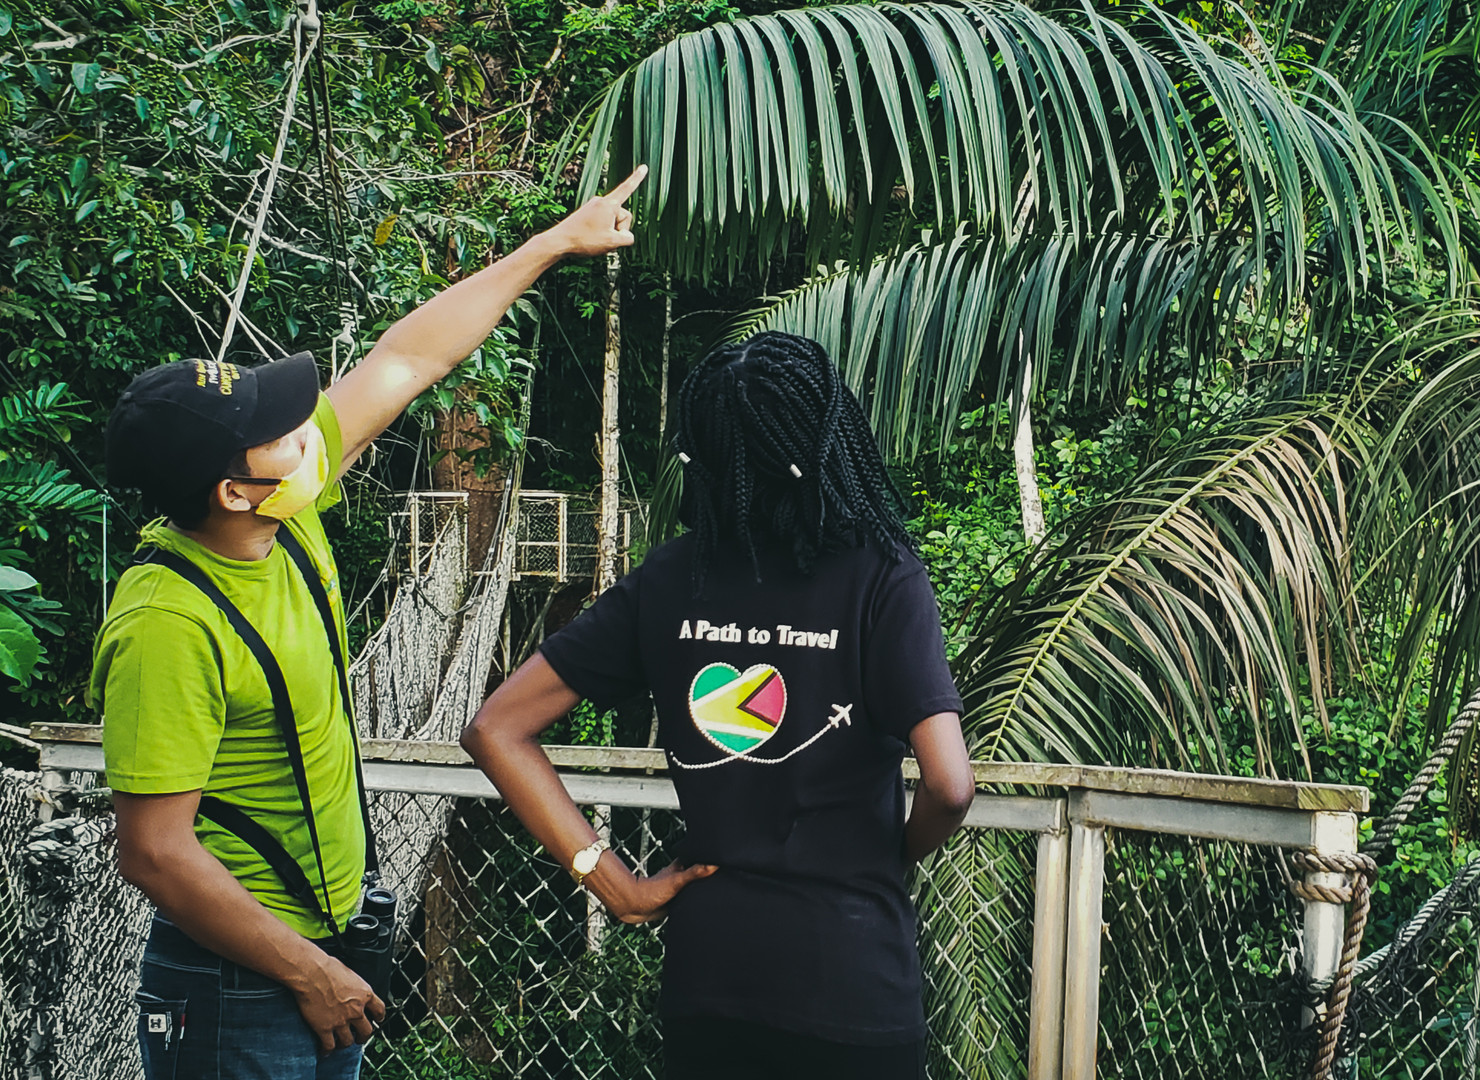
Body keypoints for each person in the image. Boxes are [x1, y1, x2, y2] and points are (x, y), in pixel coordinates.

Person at [91, 166, 652, 1080]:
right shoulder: (168, 624)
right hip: (242, 984)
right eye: (281, 432)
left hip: (325, 957)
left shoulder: (283, 515)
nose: (309, 430)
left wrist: (554, 242)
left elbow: (407, 359)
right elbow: (154, 852)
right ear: (235, 492)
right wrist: (307, 970)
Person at [462, 330, 976, 1080]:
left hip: (713, 980)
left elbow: (495, 727)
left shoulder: (671, 578)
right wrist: (888, 855)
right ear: (830, 434)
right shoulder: (883, 576)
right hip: (852, 976)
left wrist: (612, 881)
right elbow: (951, 785)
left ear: (705, 456)